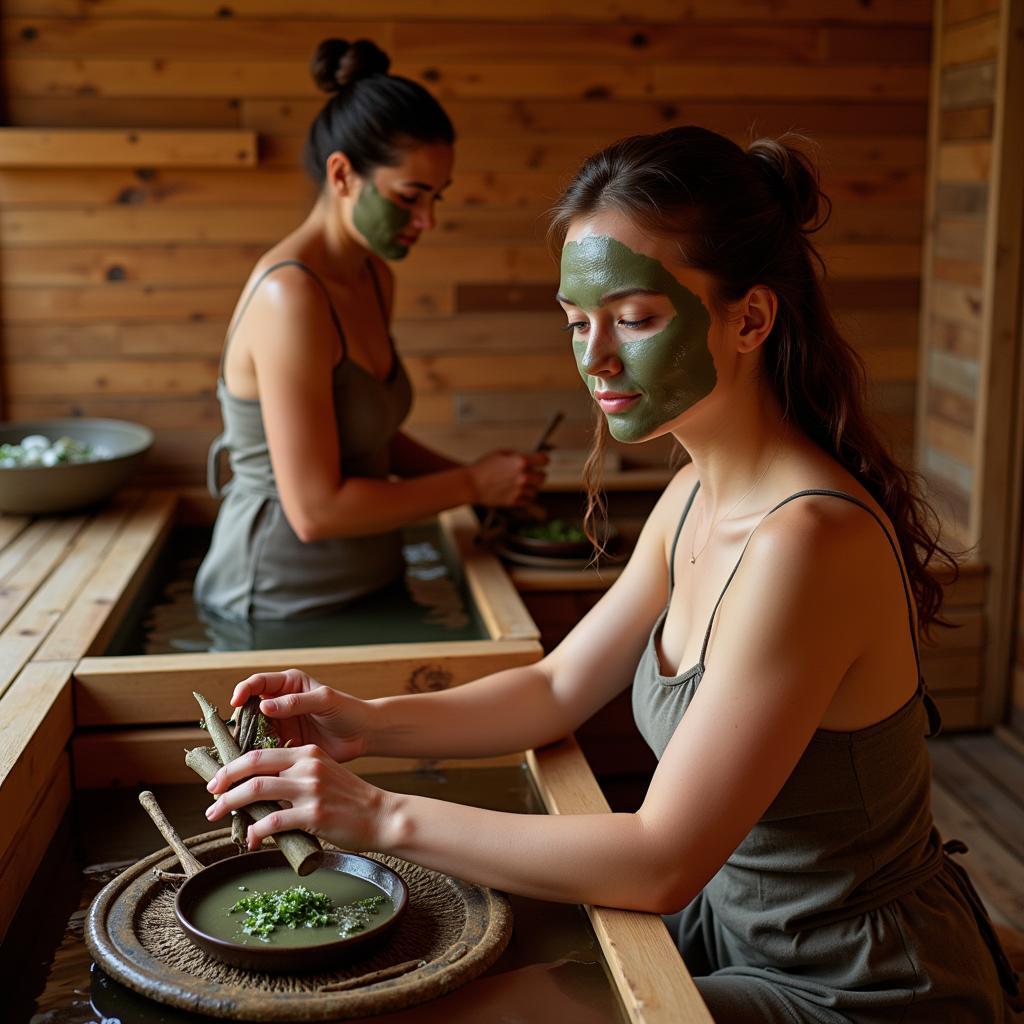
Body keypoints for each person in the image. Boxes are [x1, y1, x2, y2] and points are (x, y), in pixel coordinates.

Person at [203, 127, 1020, 1020]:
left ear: (749, 318)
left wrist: (376, 816)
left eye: (633, 319)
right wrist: (366, 721)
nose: (594, 358)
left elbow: (661, 860)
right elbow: (556, 686)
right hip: (732, 929)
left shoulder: (808, 542)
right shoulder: (690, 496)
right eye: (576, 322)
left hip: (856, 983)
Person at [194, 38, 547, 622]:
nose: (427, 220)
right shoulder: (290, 296)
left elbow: (366, 435)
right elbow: (315, 511)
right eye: (410, 197)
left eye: (437, 198)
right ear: (342, 175)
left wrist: (491, 477)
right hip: (277, 602)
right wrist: (468, 485)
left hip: (375, 580)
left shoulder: (374, 275)